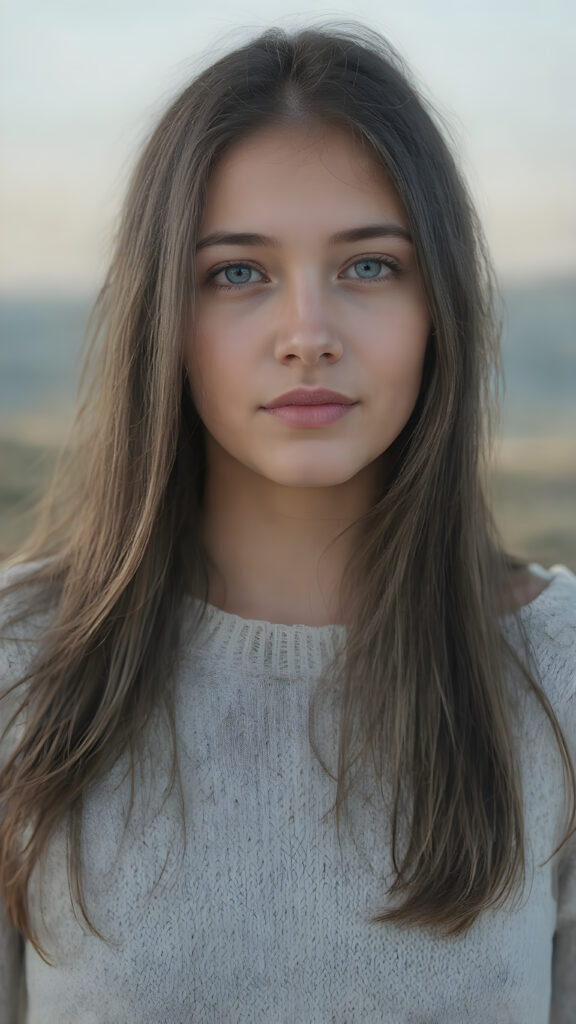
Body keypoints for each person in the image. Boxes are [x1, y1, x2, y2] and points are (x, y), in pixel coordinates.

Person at [0, 20, 574, 1024]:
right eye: (237, 273)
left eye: (368, 267)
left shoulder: (559, 673)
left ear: (439, 304)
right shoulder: (22, 663)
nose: (307, 333)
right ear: (162, 321)